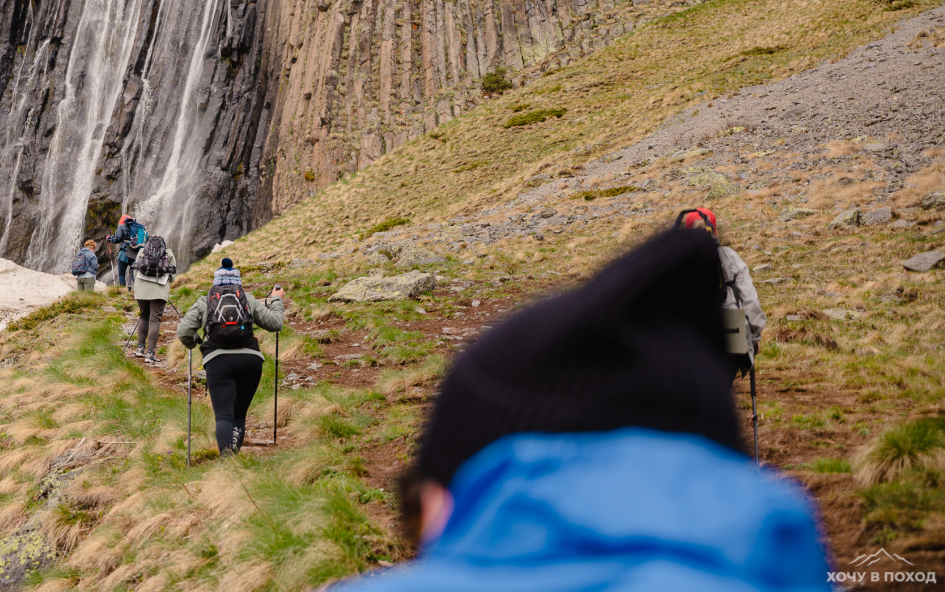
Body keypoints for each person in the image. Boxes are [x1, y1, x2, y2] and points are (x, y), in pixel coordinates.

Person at [333, 230, 828, 591]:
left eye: (413, 508)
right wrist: (748, 349)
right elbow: (751, 308)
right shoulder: (789, 553)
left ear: (442, 500)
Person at [175, 259, 285, 455]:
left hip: (218, 361)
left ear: (216, 281)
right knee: (239, 413)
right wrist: (276, 300)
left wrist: (195, 342)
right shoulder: (248, 299)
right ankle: (234, 451)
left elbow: (183, 331)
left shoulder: (205, 300)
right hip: (251, 360)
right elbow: (275, 323)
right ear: (238, 282)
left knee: (224, 415)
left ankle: (226, 455)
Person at [678, 206, 766, 355]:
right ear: (715, 231)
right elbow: (750, 300)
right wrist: (753, 338)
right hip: (731, 336)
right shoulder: (730, 257)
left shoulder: (675, 261)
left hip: (687, 341)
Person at [130, 233, 177, 363]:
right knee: (155, 320)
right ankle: (150, 354)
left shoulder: (142, 251)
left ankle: (140, 349)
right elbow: (172, 276)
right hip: (159, 289)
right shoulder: (169, 253)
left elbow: (135, 270)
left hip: (141, 289)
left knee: (144, 316)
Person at [106, 214, 146, 288]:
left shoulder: (122, 227)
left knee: (121, 274)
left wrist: (109, 239)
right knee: (135, 273)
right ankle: (137, 290)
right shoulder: (137, 227)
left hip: (124, 253)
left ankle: (122, 291)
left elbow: (117, 239)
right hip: (135, 252)